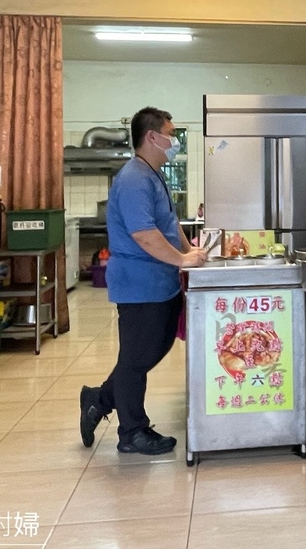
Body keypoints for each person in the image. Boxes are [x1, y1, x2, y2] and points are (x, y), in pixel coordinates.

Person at [80, 107, 207, 455]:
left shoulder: (153, 174)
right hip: (140, 284)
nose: (175, 140)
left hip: (160, 281)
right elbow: (144, 235)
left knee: (152, 349)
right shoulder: (135, 178)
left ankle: (98, 398)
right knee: (136, 360)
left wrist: (189, 252)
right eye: (171, 132)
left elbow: (169, 223)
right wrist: (181, 259)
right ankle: (132, 432)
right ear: (152, 136)